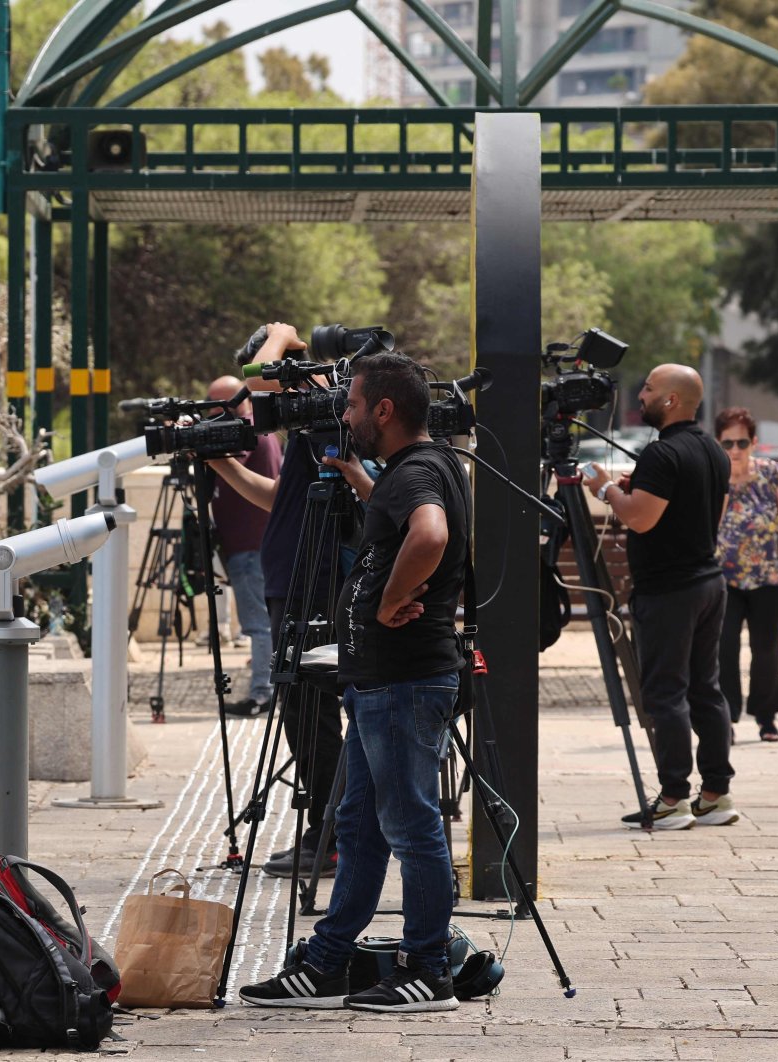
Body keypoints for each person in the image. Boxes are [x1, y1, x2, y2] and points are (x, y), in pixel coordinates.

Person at [240, 350, 469, 1013]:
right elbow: (403, 518)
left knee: (412, 828)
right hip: (385, 683)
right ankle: (328, 963)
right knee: (362, 829)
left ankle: (430, 970)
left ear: (384, 411)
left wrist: (394, 597)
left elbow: (427, 533)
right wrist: (361, 481)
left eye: (352, 405)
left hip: (401, 682)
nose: (344, 415)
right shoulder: (421, 468)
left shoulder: (414, 474)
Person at [206, 324, 354, 882]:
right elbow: (277, 496)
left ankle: (331, 835)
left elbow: (260, 378)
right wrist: (217, 460)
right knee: (301, 712)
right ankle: (328, 830)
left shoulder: (327, 408)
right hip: (289, 577)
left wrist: (285, 336)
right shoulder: (311, 427)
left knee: (311, 713)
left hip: (310, 581)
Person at [583, 364, 735, 831]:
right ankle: (716, 794)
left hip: (670, 590)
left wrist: (605, 488)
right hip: (708, 581)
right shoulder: (713, 449)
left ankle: (673, 798)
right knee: (705, 688)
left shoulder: (662, 453)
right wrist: (639, 489)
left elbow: (641, 520)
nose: (641, 394)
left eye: (648, 388)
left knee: (665, 693)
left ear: (670, 400)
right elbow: (709, 508)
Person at [713, 407, 778, 743]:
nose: (735, 449)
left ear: (754, 442)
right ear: (718, 443)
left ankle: (767, 716)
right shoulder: (713, 477)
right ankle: (724, 717)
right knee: (723, 647)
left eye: (742, 442)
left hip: (769, 576)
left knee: (767, 648)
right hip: (724, 578)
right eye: (728, 443)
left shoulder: (772, 473)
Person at [205, 375, 283, 716]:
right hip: (251, 544)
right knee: (260, 622)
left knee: (258, 623)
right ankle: (264, 688)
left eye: (216, 405)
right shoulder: (257, 428)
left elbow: (228, 464)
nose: (211, 415)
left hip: (251, 546)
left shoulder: (245, 431)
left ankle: (262, 693)